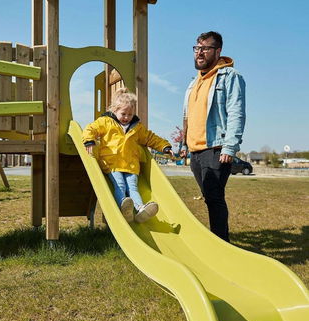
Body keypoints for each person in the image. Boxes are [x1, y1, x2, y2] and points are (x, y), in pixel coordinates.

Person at [179, 31, 246, 242]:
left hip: (215, 148)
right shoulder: (193, 83)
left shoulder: (230, 77)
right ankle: (219, 241)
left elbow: (236, 112)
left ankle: (221, 244)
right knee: (209, 197)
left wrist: (229, 147)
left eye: (205, 48)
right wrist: (184, 143)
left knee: (214, 198)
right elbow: (188, 116)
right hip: (196, 151)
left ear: (218, 51)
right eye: (197, 48)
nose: (199, 53)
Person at [83, 88, 173, 223]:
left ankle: (140, 209)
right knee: (120, 185)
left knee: (133, 187)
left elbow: (150, 138)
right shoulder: (106, 122)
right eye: (123, 114)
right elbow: (91, 128)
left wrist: (165, 146)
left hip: (131, 165)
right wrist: (89, 140)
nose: (126, 117)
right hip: (112, 163)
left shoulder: (137, 127)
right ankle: (124, 206)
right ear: (115, 111)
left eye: (130, 114)